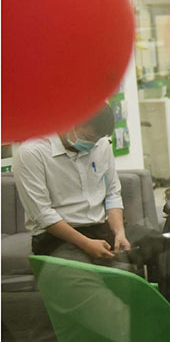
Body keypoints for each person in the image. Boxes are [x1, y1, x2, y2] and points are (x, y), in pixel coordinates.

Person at [13, 103, 157, 270]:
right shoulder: (32, 153)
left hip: (101, 227)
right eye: (88, 137)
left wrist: (119, 233)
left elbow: (112, 193)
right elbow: (42, 214)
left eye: (97, 140)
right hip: (57, 238)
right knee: (84, 272)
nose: (92, 144)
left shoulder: (101, 144)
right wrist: (87, 244)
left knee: (162, 245)